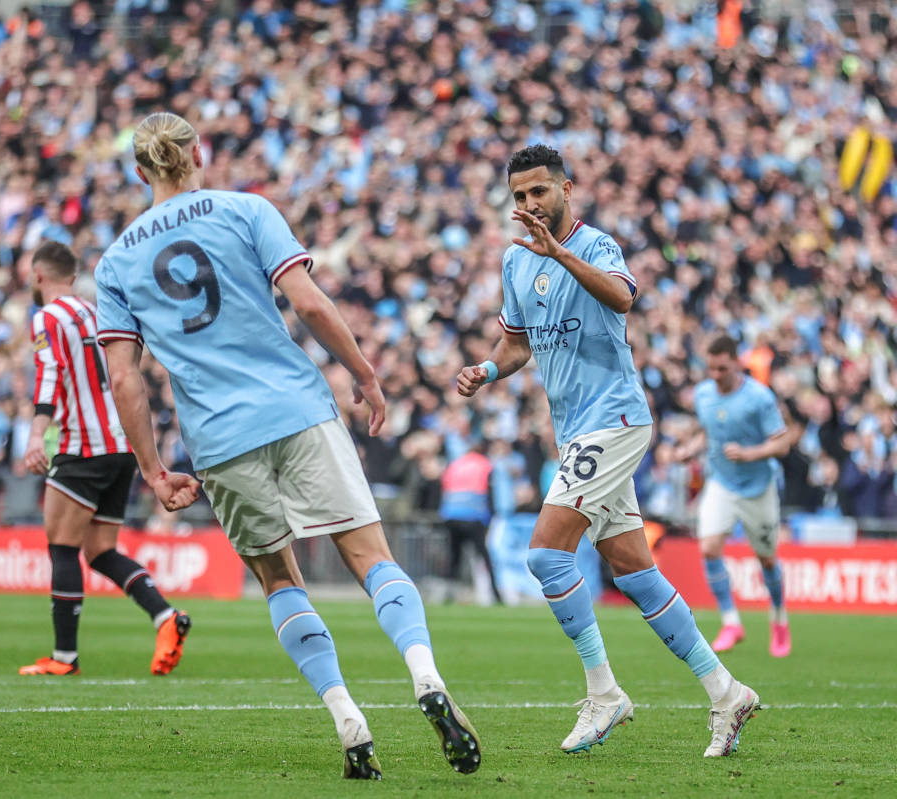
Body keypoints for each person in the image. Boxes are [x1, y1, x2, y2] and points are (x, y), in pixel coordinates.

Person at [95, 113, 480, 779]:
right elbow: (309, 301)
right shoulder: (247, 209)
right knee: (371, 558)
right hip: (297, 408)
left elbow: (124, 378)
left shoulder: (117, 260)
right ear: (199, 155)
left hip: (218, 438)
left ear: (139, 172)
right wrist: (363, 373)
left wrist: (155, 471)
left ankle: (346, 716)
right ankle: (425, 674)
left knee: (280, 580)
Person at [456, 145, 758, 758]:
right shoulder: (515, 262)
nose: (528, 205)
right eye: (518, 196)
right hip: (576, 431)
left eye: (538, 192)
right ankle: (726, 691)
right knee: (636, 574)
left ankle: (603, 693)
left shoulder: (595, 246)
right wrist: (487, 368)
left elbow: (623, 299)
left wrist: (558, 253)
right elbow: (519, 344)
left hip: (614, 420)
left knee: (545, 556)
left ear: (567, 188)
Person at [19, 241, 189, 677]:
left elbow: (50, 371)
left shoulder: (47, 317)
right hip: (122, 444)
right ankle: (165, 616)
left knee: (62, 546)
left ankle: (64, 659)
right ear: (73, 276)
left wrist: (38, 433)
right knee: (100, 551)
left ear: (38, 275)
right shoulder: (99, 313)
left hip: (82, 446)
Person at [683, 334, 791, 657]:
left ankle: (778, 618)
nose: (715, 375)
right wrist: (688, 448)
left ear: (735, 362)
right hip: (722, 483)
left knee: (767, 558)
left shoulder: (759, 397)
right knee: (710, 547)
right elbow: (708, 431)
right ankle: (731, 622)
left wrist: (750, 453)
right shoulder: (703, 395)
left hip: (758, 487)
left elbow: (782, 442)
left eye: (722, 369)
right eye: (710, 368)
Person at [438, 445, 503, 604]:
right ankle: (496, 593)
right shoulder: (484, 464)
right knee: (484, 556)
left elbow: (445, 489)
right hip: (474, 516)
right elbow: (489, 491)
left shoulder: (455, 464)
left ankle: (448, 593)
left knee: (454, 556)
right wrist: (491, 515)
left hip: (452, 514)